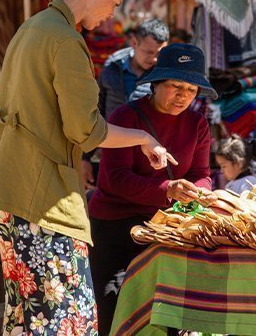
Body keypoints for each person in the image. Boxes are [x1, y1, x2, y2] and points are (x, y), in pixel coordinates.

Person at [0, 0, 173, 336]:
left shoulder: (33, 27)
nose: (113, 16)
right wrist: (142, 136)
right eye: (114, 3)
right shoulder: (65, 40)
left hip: (12, 188)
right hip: (41, 195)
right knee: (65, 315)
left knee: (26, 315)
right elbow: (87, 131)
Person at [88, 43, 218, 332]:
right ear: (156, 84)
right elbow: (114, 179)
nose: (183, 95)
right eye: (175, 86)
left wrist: (197, 190)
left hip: (164, 229)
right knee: (113, 306)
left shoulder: (198, 124)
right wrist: (168, 188)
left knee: (166, 309)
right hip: (115, 229)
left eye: (191, 89)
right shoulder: (125, 117)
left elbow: (202, 173)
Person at [80, 18, 169, 188]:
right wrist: (85, 159)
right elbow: (96, 114)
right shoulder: (111, 69)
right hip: (110, 157)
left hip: (151, 163)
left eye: (159, 53)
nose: (155, 59)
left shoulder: (165, 77)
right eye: (149, 52)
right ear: (134, 42)